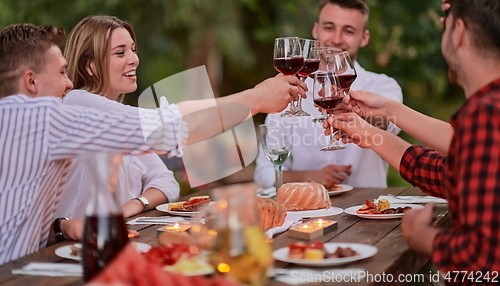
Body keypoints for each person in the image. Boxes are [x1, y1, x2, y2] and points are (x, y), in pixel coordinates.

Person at [0, 23, 307, 264]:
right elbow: (165, 129)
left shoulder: (21, 121)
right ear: (31, 81)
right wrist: (254, 99)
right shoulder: (48, 115)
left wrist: (61, 226)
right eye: (62, 72)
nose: (68, 83)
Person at [330, 0, 500, 277]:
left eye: (444, 24)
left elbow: (482, 263)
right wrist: (370, 133)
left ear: (459, 32)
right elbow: (454, 177)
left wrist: (424, 239)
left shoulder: (485, 113)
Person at [254, 0, 403, 188]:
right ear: (316, 30)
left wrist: (353, 113)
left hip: (369, 211)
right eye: (329, 27)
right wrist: (308, 176)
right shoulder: (287, 95)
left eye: (348, 31)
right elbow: (263, 172)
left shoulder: (382, 86)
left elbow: (390, 124)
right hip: (306, 212)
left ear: (364, 38)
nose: (336, 39)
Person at [55, 16, 179, 220]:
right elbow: (161, 125)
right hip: (72, 246)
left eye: (133, 49)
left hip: (116, 237)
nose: (134, 59)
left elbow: (167, 181)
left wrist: (135, 204)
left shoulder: (120, 118)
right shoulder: (77, 103)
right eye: (120, 53)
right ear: (91, 66)